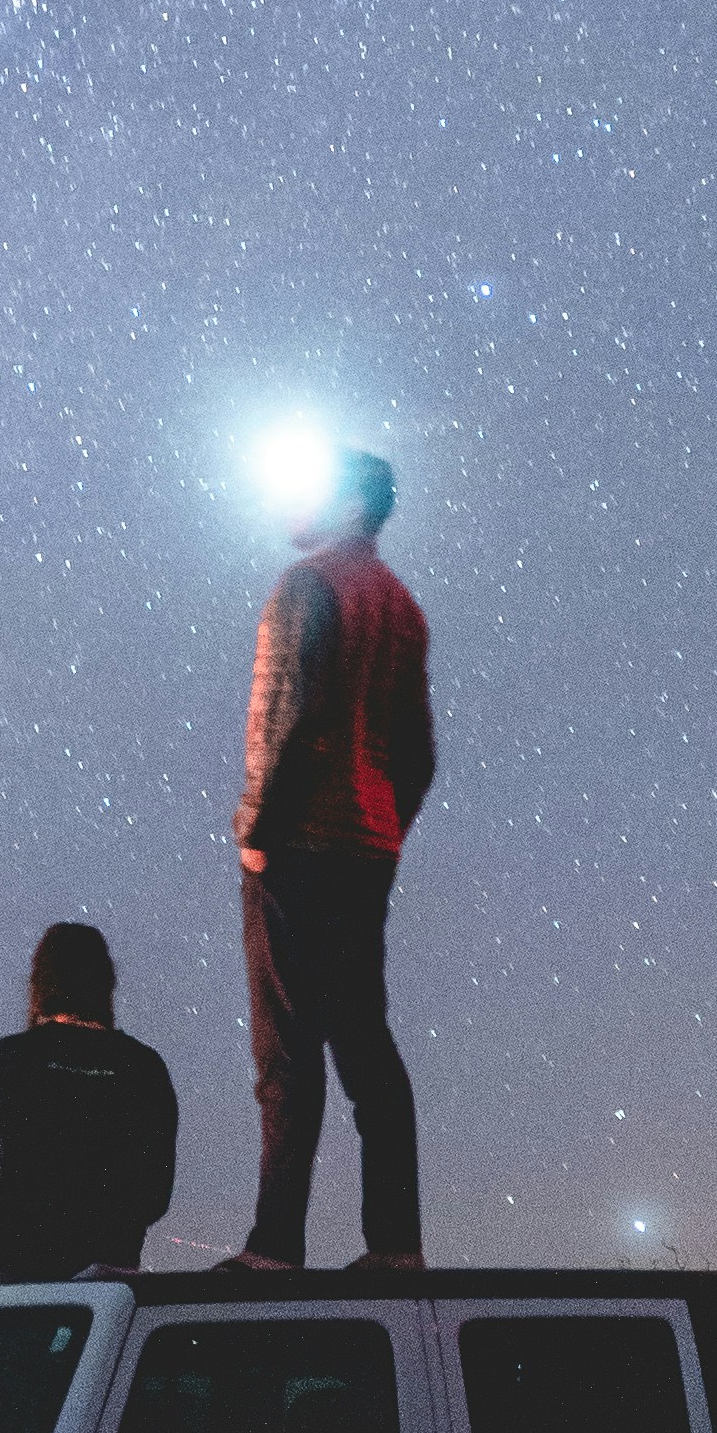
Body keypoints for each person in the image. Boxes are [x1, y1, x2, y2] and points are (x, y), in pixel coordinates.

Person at [232, 451, 435, 1270]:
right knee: (363, 1041)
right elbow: (419, 753)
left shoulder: (307, 587)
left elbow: (292, 717)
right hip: (366, 847)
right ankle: (396, 1246)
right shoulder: (402, 606)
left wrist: (257, 833)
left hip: (298, 845)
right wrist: (384, 826)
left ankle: (276, 1244)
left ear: (350, 501)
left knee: (286, 1052)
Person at [0, 921, 180, 1281]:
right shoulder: (143, 1067)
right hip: (107, 1268)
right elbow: (155, 1191)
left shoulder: (8, 1059)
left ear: (40, 984)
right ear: (106, 984)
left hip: (7, 1268)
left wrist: (2, 1241)